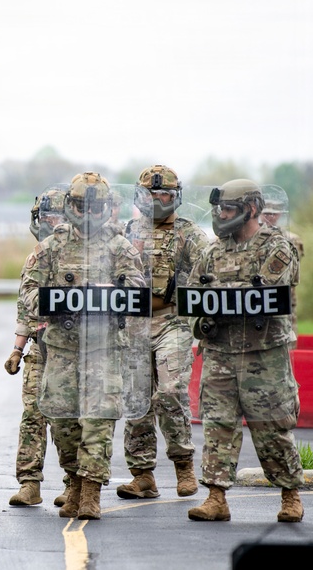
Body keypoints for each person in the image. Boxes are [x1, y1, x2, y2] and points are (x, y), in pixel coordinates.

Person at [18, 172, 147, 520]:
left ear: (105, 207)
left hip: (103, 350)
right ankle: (73, 482)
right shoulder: (51, 247)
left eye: (95, 206)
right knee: (62, 423)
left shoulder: (120, 247)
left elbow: (137, 292)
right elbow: (28, 290)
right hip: (61, 350)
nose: (87, 212)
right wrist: (53, 302)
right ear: (70, 206)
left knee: (98, 422)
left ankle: (91, 492)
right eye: (80, 205)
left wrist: (111, 294)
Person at [186, 179, 304, 523]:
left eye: (228, 209)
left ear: (251, 209)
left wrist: (218, 296)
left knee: (271, 427)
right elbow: (192, 294)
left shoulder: (276, 247)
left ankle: (290, 496)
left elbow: (269, 290)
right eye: (219, 209)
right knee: (217, 425)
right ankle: (216, 498)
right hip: (220, 352)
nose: (221, 215)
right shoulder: (212, 251)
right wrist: (202, 318)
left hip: (263, 354)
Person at [113, 165, 208, 501]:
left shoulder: (190, 234)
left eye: (164, 194)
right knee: (136, 399)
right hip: (134, 323)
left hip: (172, 321)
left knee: (170, 392)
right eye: (151, 194)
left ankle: (184, 465)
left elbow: (210, 276)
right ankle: (142, 475)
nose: (157, 200)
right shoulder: (126, 232)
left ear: (175, 196)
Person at [5, 187, 68, 507]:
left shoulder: (80, 254)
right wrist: (17, 349)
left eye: (55, 216)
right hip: (39, 348)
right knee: (32, 415)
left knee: (67, 419)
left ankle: (74, 482)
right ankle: (29, 483)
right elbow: (26, 308)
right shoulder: (37, 256)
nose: (48, 223)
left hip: (71, 350)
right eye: (44, 216)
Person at [260, 198, 304, 342]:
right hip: (259, 298)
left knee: (287, 340)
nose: (269, 217)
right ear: (260, 214)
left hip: (284, 298)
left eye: (273, 214)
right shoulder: (252, 239)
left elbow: (292, 269)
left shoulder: (292, 240)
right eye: (266, 213)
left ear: (279, 215)